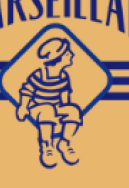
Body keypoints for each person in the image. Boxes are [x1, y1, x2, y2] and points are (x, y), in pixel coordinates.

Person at [16, 37, 82, 168]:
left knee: (74, 110)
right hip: (37, 109)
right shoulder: (39, 75)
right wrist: (23, 106)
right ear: (57, 57)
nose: (72, 55)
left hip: (55, 108)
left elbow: (65, 99)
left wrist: (65, 113)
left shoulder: (64, 77)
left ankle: (64, 143)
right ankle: (47, 147)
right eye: (68, 53)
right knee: (47, 109)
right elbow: (27, 90)